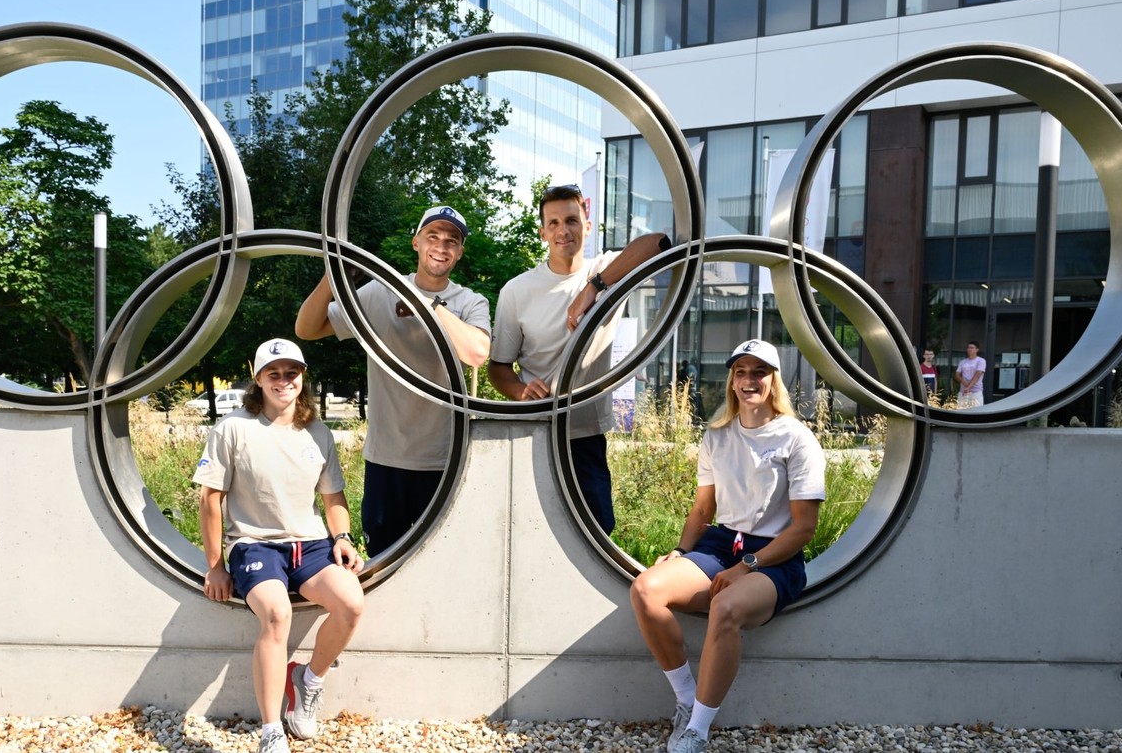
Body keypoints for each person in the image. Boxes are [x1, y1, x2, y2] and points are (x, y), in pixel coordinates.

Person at [629, 339, 826, 753]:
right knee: (647, 590)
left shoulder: (797, 439)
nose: (749, 380)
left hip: (775, 554)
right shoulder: (716, 436)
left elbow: (804, 529)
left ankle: (698, 730)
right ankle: (685, 698)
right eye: (741, 372)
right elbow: (704, 506)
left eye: (759, 372)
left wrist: (749, 565)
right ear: (732, 380)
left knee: (727, 606)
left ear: (775, 381)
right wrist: (682, 551)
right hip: (721, 544)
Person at [194, 338, 364, 753]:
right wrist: (216, 565)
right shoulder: (233, 427)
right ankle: (271, 731)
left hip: (308, 544)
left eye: (292, 372)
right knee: (276, 613)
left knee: (351, 603)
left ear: (303, 377)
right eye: (274, 373)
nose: (284, 380)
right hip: (255, 545)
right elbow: (209, 499)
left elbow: (333, 499)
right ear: (258, 379)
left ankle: (308, 680)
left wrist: (342, 537)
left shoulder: (318, 433)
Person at [296, 205, 490, 556]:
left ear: (459, 252)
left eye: (452, 241)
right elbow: (307, 329)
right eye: (433, 236)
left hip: (443, 460)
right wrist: (333, 278)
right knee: (384, 559)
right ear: (416, 242)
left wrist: (429, 306)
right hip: (387, 459)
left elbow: (476, 353)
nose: (441, 246)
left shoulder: (469, 301)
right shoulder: (380, 292)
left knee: (440, 559)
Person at [488, 183, 671, 534]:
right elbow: (499, 368)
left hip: (585, 434)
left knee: (597, 531)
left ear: (588, 226)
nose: (563, 230)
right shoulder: (517, 290)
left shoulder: (606, 270)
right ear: (542, 232)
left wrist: (594, 287)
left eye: (572, 220)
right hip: (536, 430)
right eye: (553, 223)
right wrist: (519, 392)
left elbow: (658, 243)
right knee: (533, 532)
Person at [955, 341, 986, 408]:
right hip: (963, 392)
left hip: (976, 392)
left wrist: (969, 387)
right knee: (961, 412)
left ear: (977, 350)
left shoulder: (981, 361)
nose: (969, 349)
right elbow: (957, 374)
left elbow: (978, 374)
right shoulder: (962, 362)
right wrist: (963, 381)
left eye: (972, 348)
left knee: (977, 413)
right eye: (968, 347)